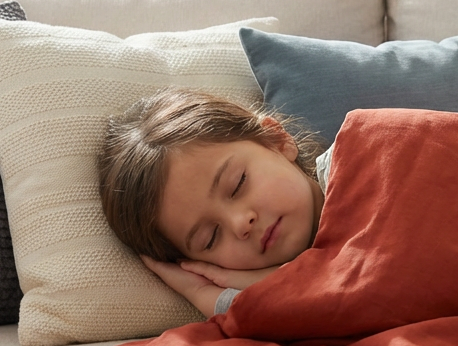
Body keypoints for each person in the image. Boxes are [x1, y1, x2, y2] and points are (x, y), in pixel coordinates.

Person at [99, 88, 331, 318]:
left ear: (278, 140)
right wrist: (201, 291)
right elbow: (324, 312)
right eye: (210, 238)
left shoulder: (358, 157)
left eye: (238, 184)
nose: (241, 223)